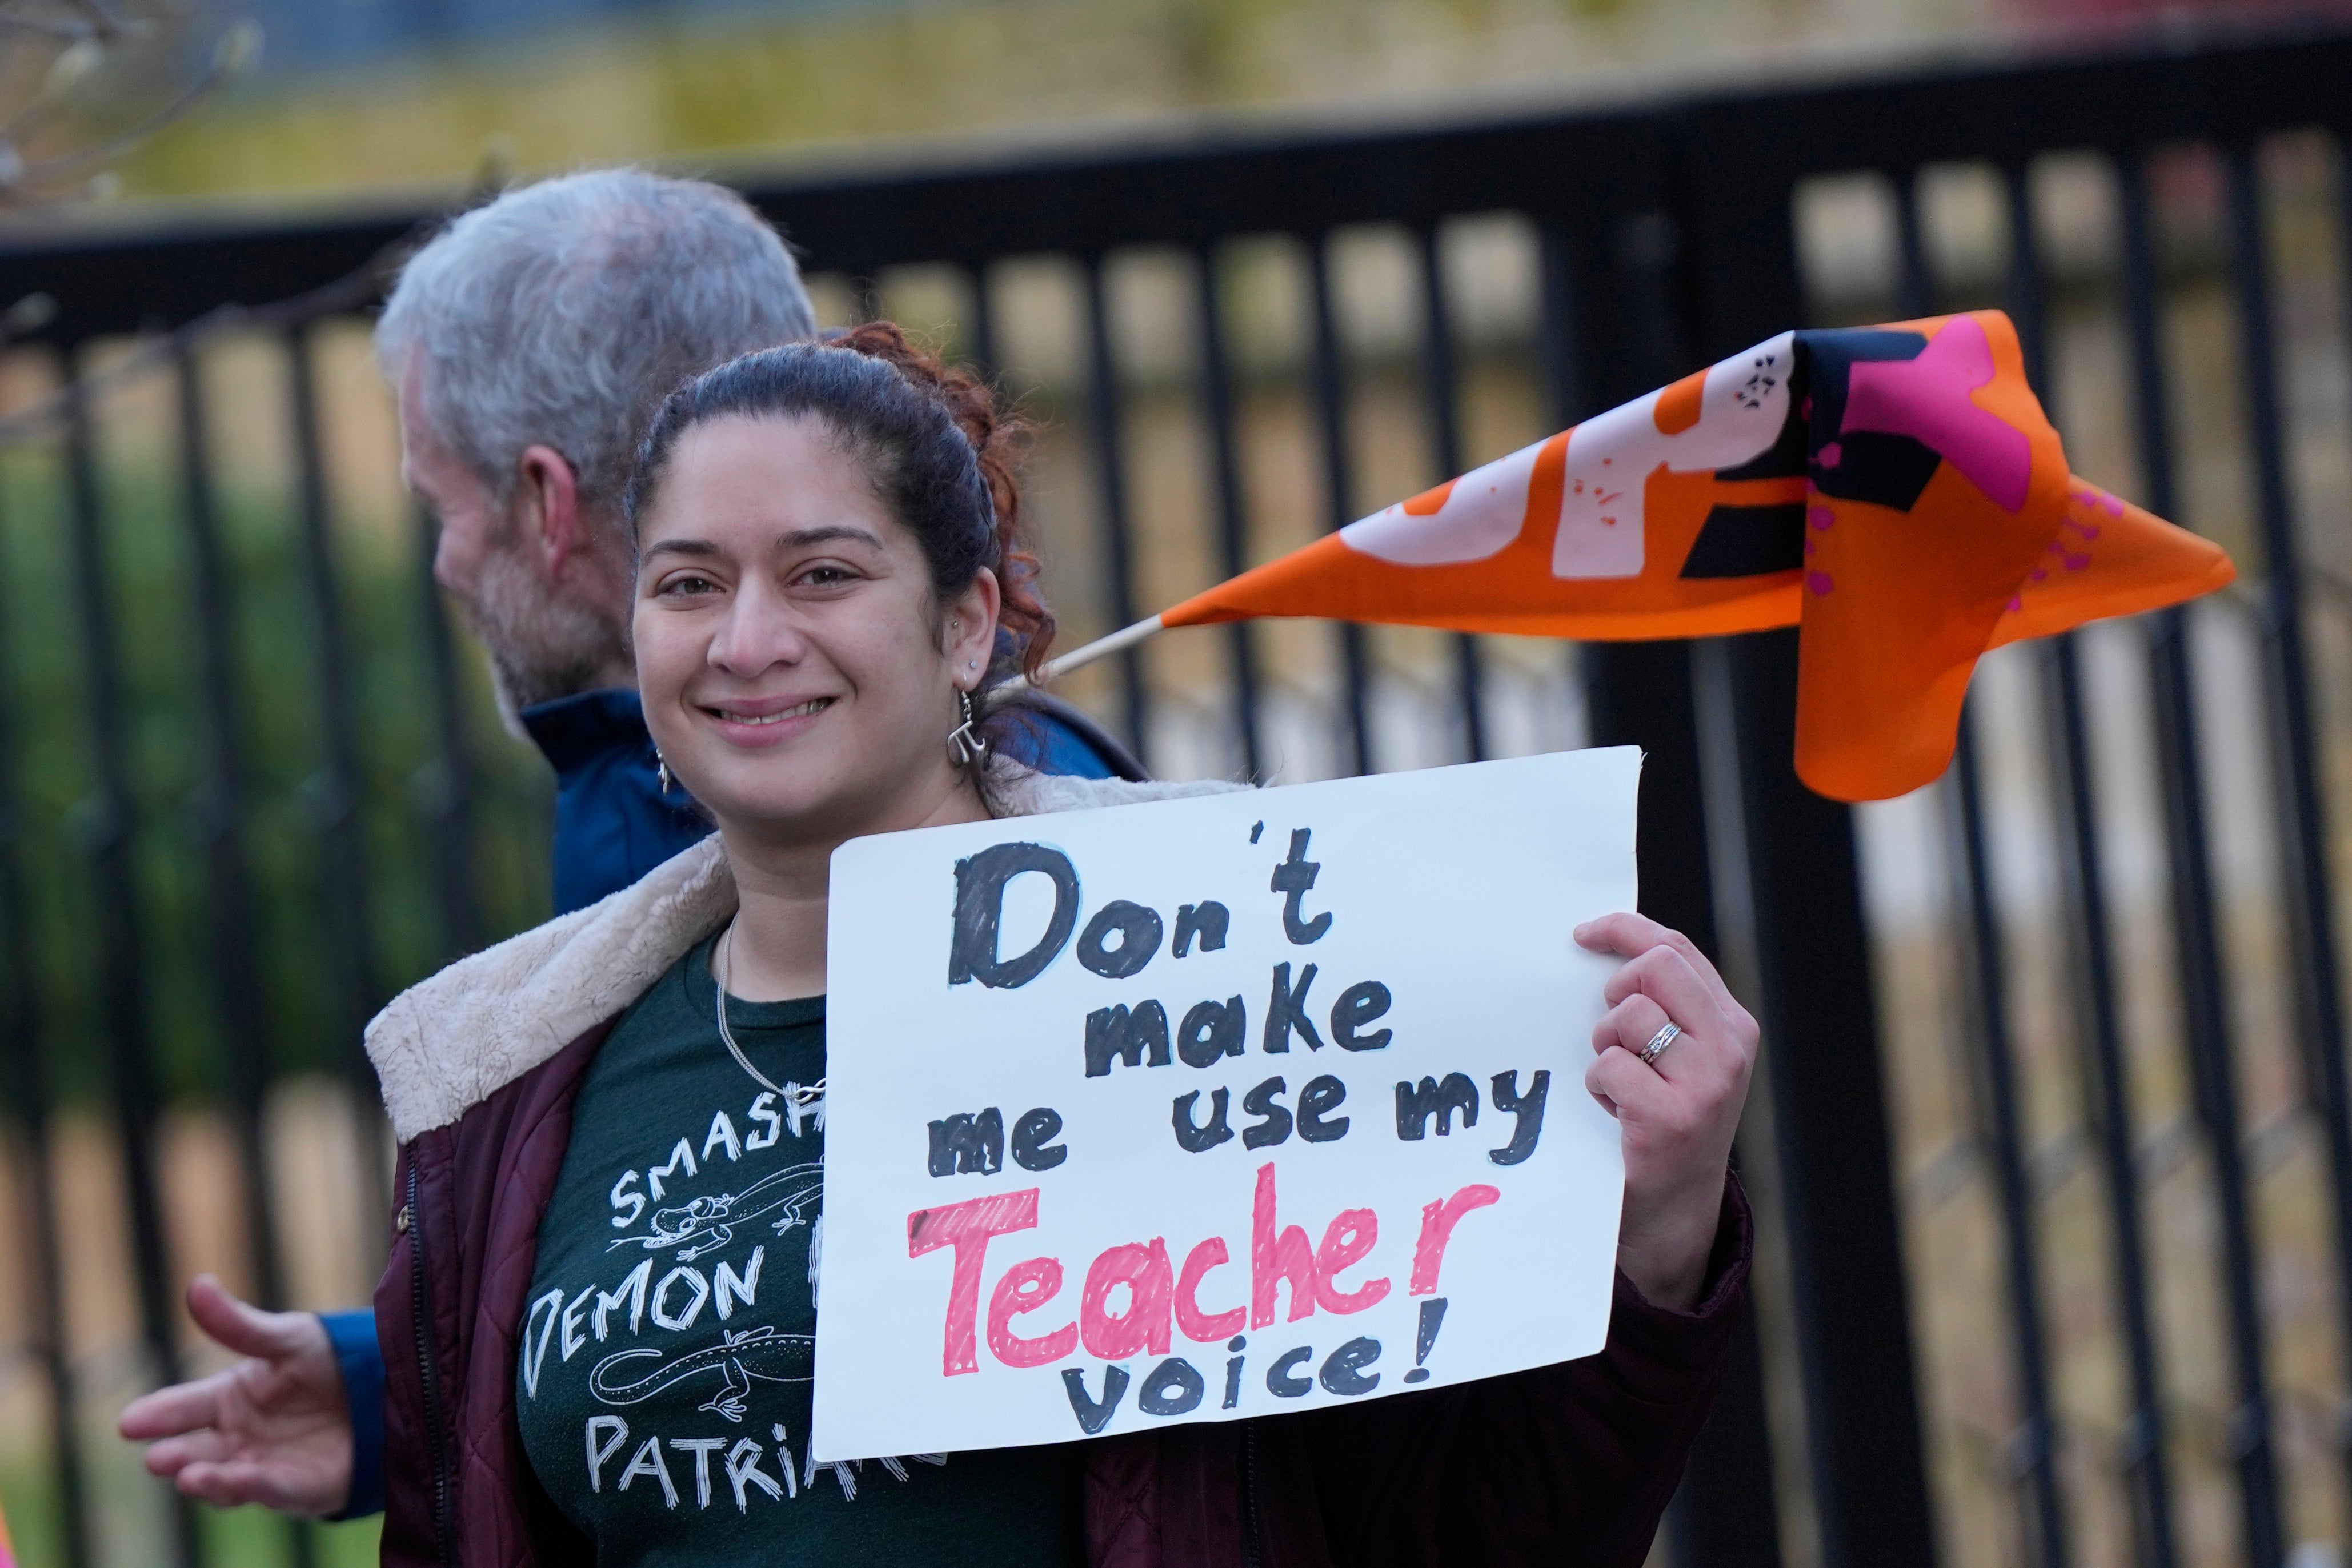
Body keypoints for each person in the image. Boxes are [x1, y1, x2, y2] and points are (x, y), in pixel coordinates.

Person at [366, 323, 1757, 1567]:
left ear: (965, 624)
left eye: (822, 572)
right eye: (687, 583)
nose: (746, 638)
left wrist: (1657, 1229)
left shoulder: (1224, 983)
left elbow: (1479, 1529)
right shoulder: (507, 1088)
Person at [117, 170, 1134, 1525]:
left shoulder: (1111, 916)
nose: (749, 640)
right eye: (692, 580)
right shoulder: (645, 888)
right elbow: (718, 1276)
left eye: (443, 502)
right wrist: (403, 1384)